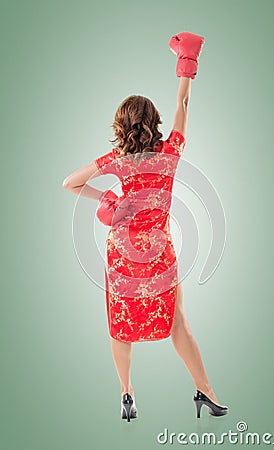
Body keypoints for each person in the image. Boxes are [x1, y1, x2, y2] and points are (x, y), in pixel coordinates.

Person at [62, 32, 228, 422]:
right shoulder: (170, 153)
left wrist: (108, 201)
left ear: (121, 127)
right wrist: (187, 62)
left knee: (121, 325)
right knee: (177, 321)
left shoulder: (116, 160)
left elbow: (69, 183)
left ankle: (126, 394)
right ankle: (206, 391)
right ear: (153, 123)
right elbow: (183, 102)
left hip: (121, 252)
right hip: (158, 252)